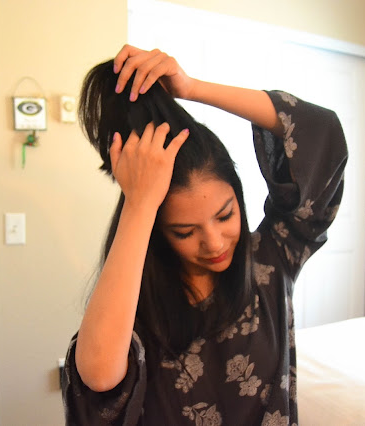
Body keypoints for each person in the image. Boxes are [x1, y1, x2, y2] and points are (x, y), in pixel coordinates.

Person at [62, 44, 347, 426]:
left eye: (225, 215)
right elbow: (98, 377)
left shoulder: (270, 260)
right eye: (184, 231)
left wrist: (192, 88)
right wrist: (139, 203)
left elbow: (321, 133)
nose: (214, 243)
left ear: (238, 196)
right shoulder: (135, 300)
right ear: (157, 230)